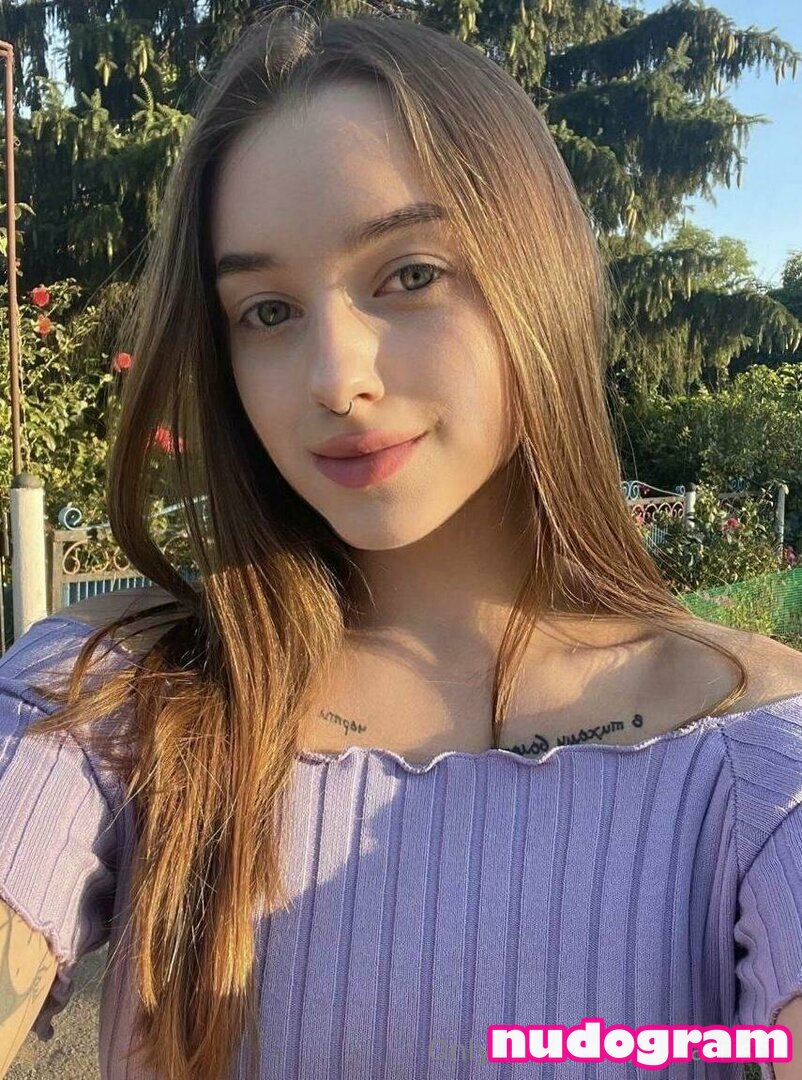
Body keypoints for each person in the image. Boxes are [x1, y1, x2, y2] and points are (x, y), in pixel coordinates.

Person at [1, 5, 801, 1079]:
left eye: (410, 274)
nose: (337, 379)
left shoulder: (758, 755)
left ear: (541, 280)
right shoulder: (112, 699)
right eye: (267, 311)